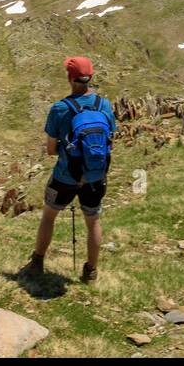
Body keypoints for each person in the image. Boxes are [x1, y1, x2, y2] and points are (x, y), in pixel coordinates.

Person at [22, 56, 115, 282]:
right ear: (90, 77)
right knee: (92, 220)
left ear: (70, 78)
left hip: (66, 175)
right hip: (95, 175)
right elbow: (110, 139)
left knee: (49, 215)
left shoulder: (60, 108)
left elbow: (51, 149)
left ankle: (37, 262)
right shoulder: (104, 105)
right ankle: (91, 272)